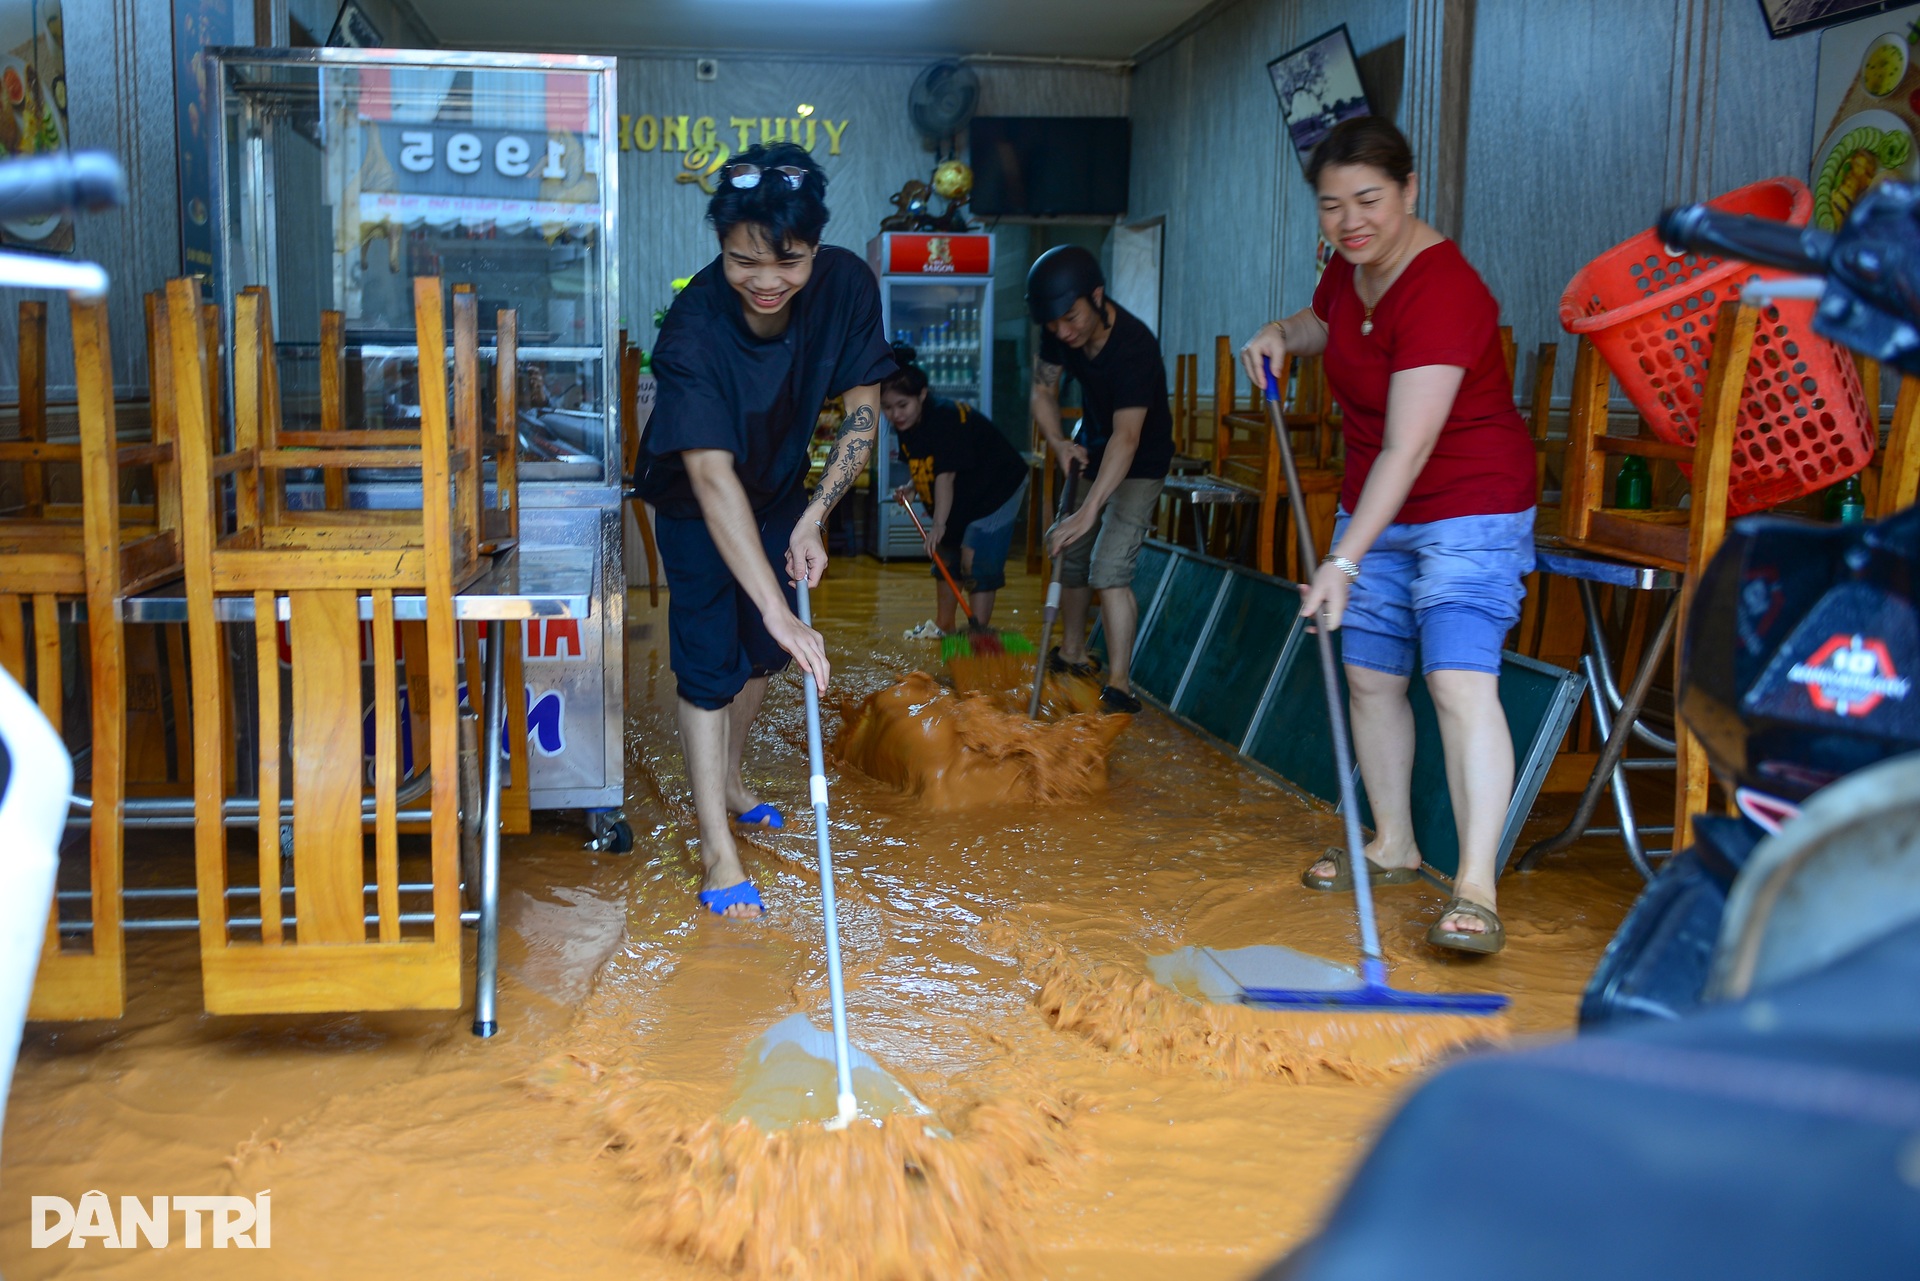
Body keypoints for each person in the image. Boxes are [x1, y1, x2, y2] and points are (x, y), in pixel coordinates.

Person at [1239, 116, 1536, 955]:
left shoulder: (1446, 290)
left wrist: (1342, 556)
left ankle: (1475, 886)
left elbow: (1410, 446)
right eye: (1332, 206)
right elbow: (1324, 320)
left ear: (1409, 190)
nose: (1350, 221)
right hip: (1382, 503)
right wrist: (1279, 334)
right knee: (1371, 678)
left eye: (1369, 199)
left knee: (1456, 680)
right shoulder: (1350, 266)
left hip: (1468, 503)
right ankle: (1393, 842)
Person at [635, 142, 894, 920]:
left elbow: (861, 413)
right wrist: (779, 604)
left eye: (789, 260)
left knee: (761, 656)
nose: (767, 279)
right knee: (711, 663)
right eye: (744, 259)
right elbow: (712, 479)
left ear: (815, 245)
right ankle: (717, 848)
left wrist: (816, 515)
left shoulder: (846, 283)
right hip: (694, 498)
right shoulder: (693, 329)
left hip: (780, 487)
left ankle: (735, 780)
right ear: (721, 243)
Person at [1027, 245, 1176, 715]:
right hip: (1091, 445)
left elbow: (1127, 439)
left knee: (1109, 567)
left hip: (1140, 459)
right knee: (1069, 551)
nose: (1063, 332)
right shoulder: (1059, 331)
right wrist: (1058, 442)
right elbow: (1042, 389)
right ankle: (1071, 655)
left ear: (1097, 295)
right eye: (1054, 325)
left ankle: (1119, 685)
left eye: (1072, 318)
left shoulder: (1135, 345)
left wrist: (1088, 513)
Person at [881, 345, 1029, 638]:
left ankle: (979, 634)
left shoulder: (944, 419)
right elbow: (929, 462)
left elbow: (945, 477)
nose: (895, 414)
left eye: (902, 405)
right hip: (964, 489)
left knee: (976, 557)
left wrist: (938, 525)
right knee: (946, 556)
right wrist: (913, 487)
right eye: (888, 407)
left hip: (997, 488)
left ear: (921, 395)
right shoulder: (907, 423)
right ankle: (945, 626)